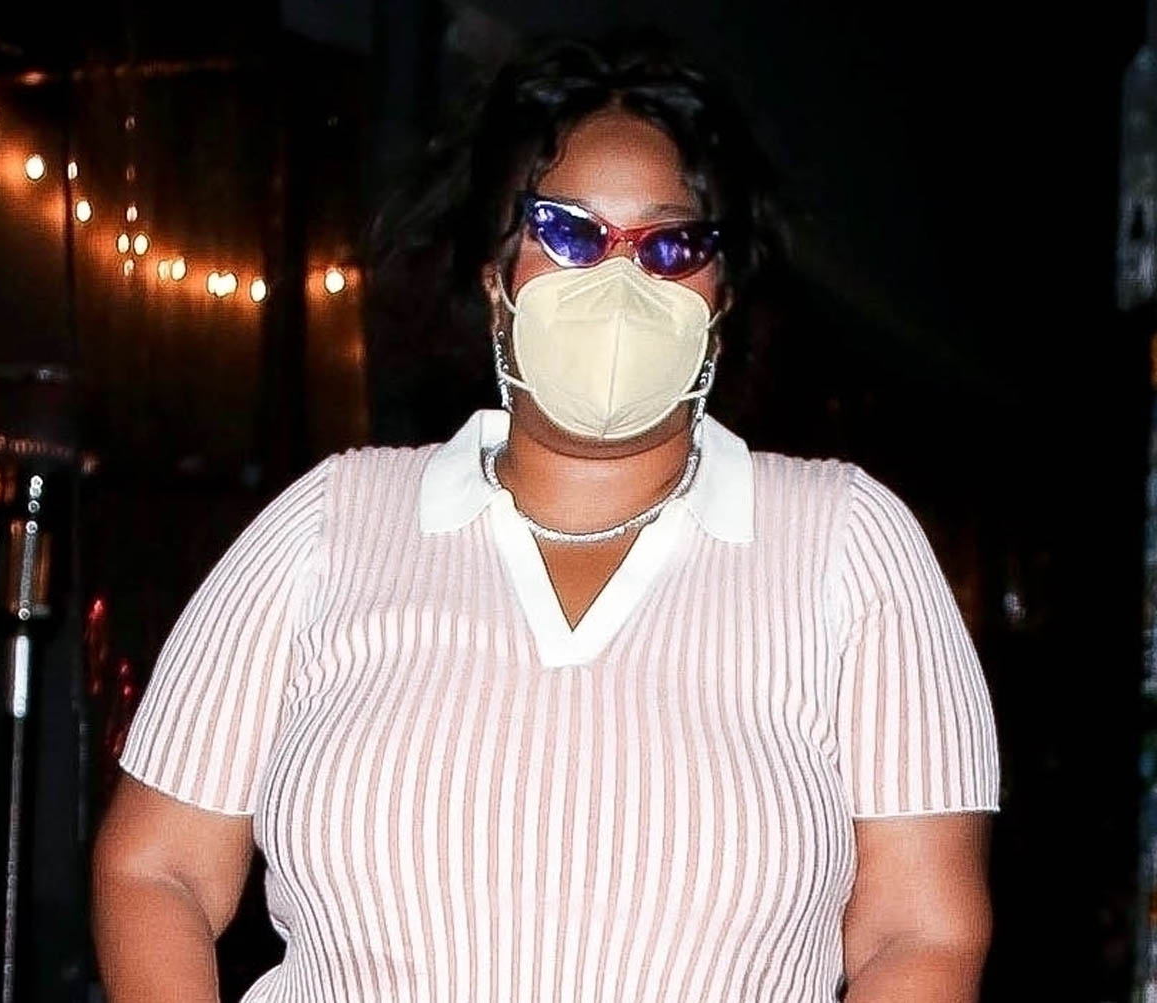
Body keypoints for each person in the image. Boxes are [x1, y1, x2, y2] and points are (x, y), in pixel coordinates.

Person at [92, 34, 1000, 1003]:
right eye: (569, 233)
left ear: (722, 296)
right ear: (496, 276)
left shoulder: (847, 543)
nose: (619, 279)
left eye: (670, 246)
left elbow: (920, 930)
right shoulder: (331, 520)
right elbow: (157, 866)